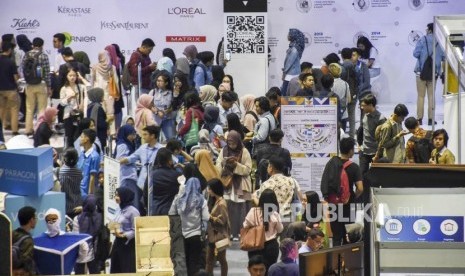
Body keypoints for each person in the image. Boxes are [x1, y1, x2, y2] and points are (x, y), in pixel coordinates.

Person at [323, 137, 363, 246]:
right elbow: (360, 188)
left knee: (336, 236)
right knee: (348, 235)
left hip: (334, 204)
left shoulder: (331, 164)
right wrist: (353, 196)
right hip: (348, 205)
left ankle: (335, 260)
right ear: (350, 150)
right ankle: (347, 260)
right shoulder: (354, 167)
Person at [216, 130, 253, 240]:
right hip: (227, 182)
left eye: (233, 143)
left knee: (241, 209)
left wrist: (236, 165)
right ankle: (230, 232)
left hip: (241, 183)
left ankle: (241, 232)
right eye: (229, 143)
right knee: (228, 208)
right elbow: (218, 163)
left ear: (238, 141)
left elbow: (248, 169)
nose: (231, 146)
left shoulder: (244, 151)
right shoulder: (224, 150)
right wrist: (224, 164)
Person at [169, 176, 210, 276]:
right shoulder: (201, 200)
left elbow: (171, 212)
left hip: (182, 235)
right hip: (196, 235)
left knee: (183, 261)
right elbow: (206, 217)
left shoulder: (179, 199)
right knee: (195, 262)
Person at [120, 125, 162, 212]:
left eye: (146, 134)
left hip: (155, 182)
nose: (143, 137)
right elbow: (132, 158)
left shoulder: (161, 149)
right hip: (141, 183)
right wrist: (119, 161)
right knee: (142, 205)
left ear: (152, 136)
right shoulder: (142, 148)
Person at [243, 189, 283, 273]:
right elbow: (280, 229)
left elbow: (245, 226)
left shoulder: (253, 211)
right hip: (271, 246)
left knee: (255, 271)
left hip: (254, 245)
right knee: (269, 271)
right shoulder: (274, 214)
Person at [413, 23, 444, 126]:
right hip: (433, 73)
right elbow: (444, 56)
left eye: (427, 28)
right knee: (431, 96)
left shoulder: (422, 39)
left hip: (420, 72)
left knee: (420, 96)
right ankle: (431, 119)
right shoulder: (440, 41)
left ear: (430, 30)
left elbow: (415, 54)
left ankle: (419, 119)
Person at [22, 37, 52, 136]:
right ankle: (39, 129)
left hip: (29, 84)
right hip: (41, 84)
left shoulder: (27, 55)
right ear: (42, 45)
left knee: (29, 108)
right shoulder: (44, 56)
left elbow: (24, 69)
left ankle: (28, 129)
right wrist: (49, 87)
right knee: (41, 109)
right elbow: (47, 73)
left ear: (33, 45)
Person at [254, 156, 295, 221]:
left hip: (273, 220)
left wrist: (254, 197)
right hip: (288, 218)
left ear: (271, 168)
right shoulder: (291, 181)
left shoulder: (266, 184)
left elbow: (261, 204)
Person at [110, 187, 140, 273]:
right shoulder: (118, 209)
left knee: (127, 269)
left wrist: (124, 235)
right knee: (116, 268)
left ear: (125, 196)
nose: (116, 197)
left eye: (118, 195)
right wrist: (112, 228)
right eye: (115, 195)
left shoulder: (133, 211)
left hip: (127, 245)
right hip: (117, 243)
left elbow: (136, 229)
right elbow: (115, 222)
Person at [205, 178, 231, 276]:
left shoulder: (221, 204)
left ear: (215, 189)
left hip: (220, 235)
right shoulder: (213, 201)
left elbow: (223, 221)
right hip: (213, 235)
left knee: (221, 259)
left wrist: (211, 218)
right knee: (209, 259)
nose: (208, 191)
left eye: (210, 189)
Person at [114, 124, 141, 212]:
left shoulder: (128, 144)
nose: (133, 137)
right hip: (127, 176)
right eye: (131, 134)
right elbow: (120, 160)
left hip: (128, 175)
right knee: (130, 201)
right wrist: (132, 160)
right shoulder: (123, 145)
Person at [73, 195, 102, 274]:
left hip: (80, 249)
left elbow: (76, 236)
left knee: (79, 271)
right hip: (94, 250)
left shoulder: (78, 218)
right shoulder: (99, 217)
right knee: (94, 271)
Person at [358, 93, 386, 176]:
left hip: (375, 152)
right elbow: (361, 130)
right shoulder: (365, 114)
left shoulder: (381, 118)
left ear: (370, 105)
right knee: (362, 175)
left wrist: (378, 153)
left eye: (364, 105)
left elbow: (383, 138)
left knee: (377, 175)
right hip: (364, 151)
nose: (362, 107)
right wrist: (359, 145)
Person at [91, 51, 118, 134]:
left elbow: (92, 80)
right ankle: (112, 133)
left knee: (100, 112)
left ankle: (101, 131)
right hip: (109, 93)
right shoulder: (112, 67)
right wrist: (117, 94)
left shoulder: (95, 67)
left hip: (98, 93)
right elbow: (116, 81)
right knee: (110, 113)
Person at [150, 148, 182, 215]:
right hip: (171, 211)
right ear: (169, 161)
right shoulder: (177, 175)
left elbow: (146, 194)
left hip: (154, 210)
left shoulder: (151, 175)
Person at [60, 67, 86, 147]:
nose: (72, 77)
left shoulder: (80, 87)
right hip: (68, 115)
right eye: (70, 75)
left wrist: (81, 77)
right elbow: (62, 103)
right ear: (66, 76)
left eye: (74, 75)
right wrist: (69, 98)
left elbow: (88, 86)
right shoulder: (64, 88)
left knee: (78, 136)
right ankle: (69, 153)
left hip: (78, 114)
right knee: (69, 137)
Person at [0, 42, 20, 135]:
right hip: (11, 89)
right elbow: (16, 77)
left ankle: (1, 129)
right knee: (14, 110)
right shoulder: (11, 61)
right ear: (9, 50)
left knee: (1, 110)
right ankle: (14, 131)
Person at [150, 71, 175, 140]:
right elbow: (149, 104)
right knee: (154, 139)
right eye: (157, 81)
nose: (158, 82)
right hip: (156, 119)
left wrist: (168, 111)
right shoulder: (153, 92)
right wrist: (157, 112)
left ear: (166, 83)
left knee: (171, 139)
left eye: (161, 81)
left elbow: (174, 105)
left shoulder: (171, 93)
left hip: (167, 119)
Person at [12, 206, 37, 276]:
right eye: (35, 218)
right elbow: (27, 264)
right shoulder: (28, 241)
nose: (36, 221)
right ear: (31, 220)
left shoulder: (12, 234)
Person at [341, 47, 359, 139]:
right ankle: (352, 137)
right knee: (352, 116)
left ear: (342, 56)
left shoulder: (342, 67)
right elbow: (357, 81)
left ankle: (342, 136)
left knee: (342, 116)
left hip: (343, 95)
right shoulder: (355, 66)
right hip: (353, 94)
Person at [59, 147, 83, 218]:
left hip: (65, 208)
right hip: (78, 207)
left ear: (65, 159)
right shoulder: (79, 172)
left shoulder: (60, 172)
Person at [77, 129, 101, 197]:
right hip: (78, 190)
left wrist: (90, 196)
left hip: (86, 193)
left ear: (86, 139)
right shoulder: (82, 154)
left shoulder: (94, 156)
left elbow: (92, 178)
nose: (80, 139)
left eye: (81, 137)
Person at [282, 28, 305, 95]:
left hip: (291, 75)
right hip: (291, 73)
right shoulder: (293, 47)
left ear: (293, 35)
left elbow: (289, 62)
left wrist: (284, 72)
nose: (287, 35)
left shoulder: (294, 48)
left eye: (289, 34)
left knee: (286, 95)